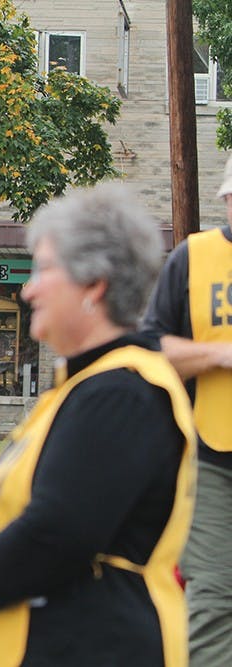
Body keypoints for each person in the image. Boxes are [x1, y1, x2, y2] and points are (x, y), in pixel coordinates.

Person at [0, 183, 197, 667]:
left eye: (44, 269)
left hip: (94, 644)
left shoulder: (119, 393)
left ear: (95, 285)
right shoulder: (86, 387)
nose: (28, 289)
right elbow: (10, 514)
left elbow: (57, 533)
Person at [143, 155, 232, 667]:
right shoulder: (193, 259)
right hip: (212, 457)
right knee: (216, 594)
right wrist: (219, 354)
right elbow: (153, 349)